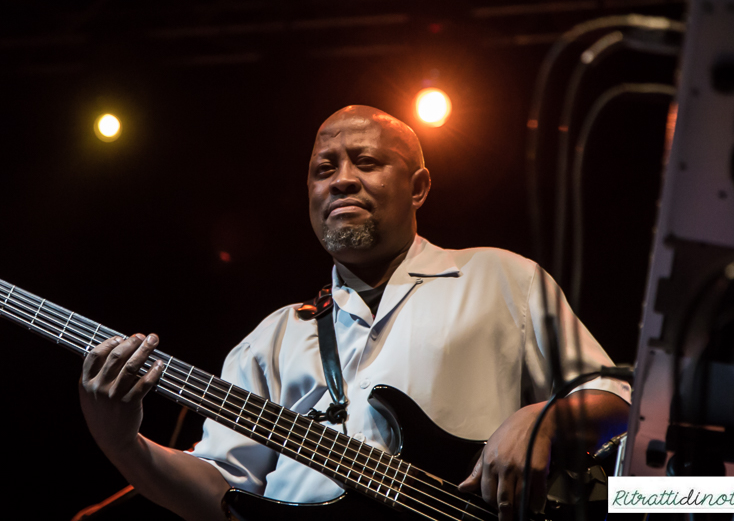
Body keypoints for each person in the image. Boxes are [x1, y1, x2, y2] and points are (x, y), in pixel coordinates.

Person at [78, 105, 631, 521]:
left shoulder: (499, 276)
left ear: (418, 188)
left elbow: (622, 399)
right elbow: (218, 492)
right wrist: (123, 444)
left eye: (366, 162)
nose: (341, 178)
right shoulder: (269, 338)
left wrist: (546, 418)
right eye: (324, 169)